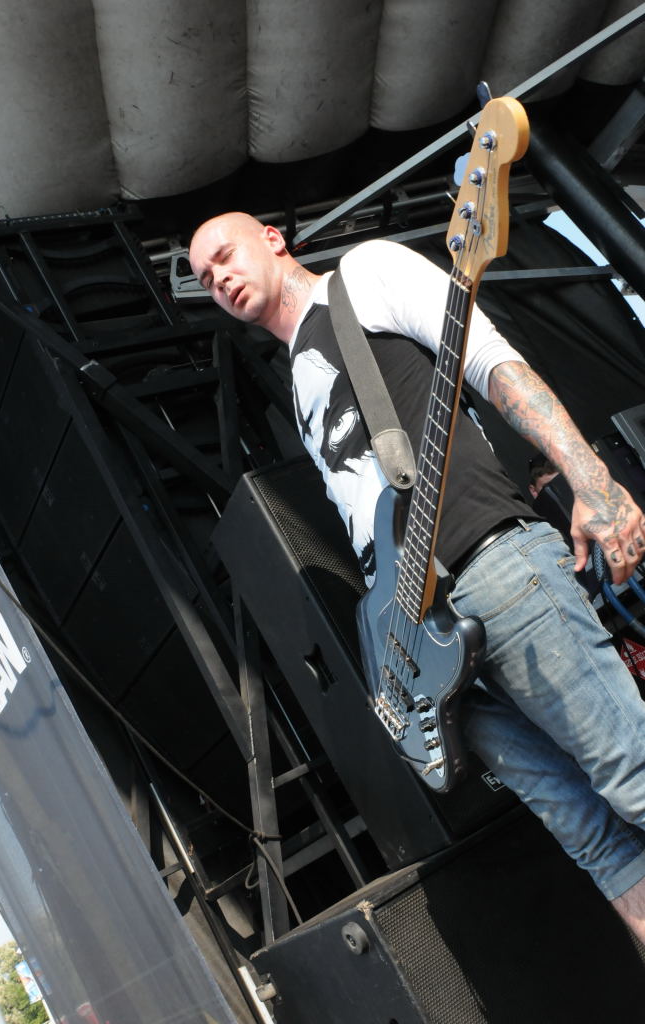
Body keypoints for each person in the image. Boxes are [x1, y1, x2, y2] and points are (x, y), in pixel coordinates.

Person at [189, 211, 645, 940]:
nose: (220, 278)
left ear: (273, 238)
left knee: (636, 777)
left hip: (492, 570)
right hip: (421, 645)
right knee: (595, 844)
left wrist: (589, 477)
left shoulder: (367, 273)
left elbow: (492, 362)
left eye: (224, 255)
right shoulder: (299, 379)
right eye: (206, 278)